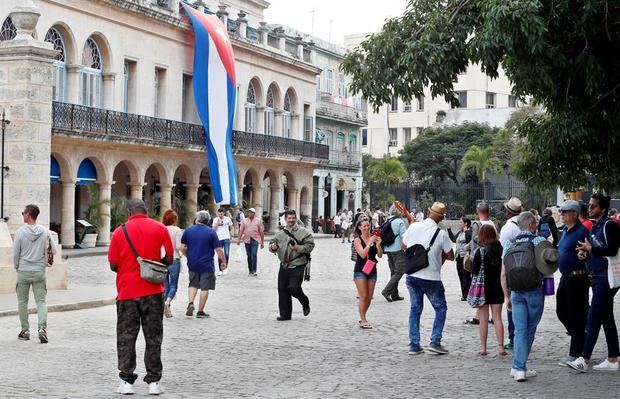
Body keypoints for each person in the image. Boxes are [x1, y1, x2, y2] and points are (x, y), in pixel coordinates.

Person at [108, 199, 173, 395]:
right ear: (146, 210)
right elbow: (169, 258)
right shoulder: (160, 228)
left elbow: (113, 264)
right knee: (154, 337)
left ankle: (127, 381)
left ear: (129, 212)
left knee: (126, 337)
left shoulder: (120, 232)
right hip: (153, 291)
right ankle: (154, 382)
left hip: (127, 292)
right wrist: (152, 265)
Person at [568, 193, 620, 372]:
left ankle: (584, 358)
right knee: (606, 318)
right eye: (590, 206)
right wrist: (585, 252)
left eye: (593, 206)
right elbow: (596, 250)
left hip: (606, 277)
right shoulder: (595, 227)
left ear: (603, 209)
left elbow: (612, 250)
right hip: (597, 276)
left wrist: (592, 248)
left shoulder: (609, 225)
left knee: (593, 317)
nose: (590, 209)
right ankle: (613, 358)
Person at [501, 211, 547, 382]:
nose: (536, 226)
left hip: (516, 291)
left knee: (519, 329)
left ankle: (517, 366)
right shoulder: (538, 241)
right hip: (534, 290)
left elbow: (504, 274)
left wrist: (507, 296)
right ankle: (520, 367)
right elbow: (550, 265)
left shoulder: (508, 244)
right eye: (535, 223)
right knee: (530, 328)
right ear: (530, 225)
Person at [403, 202, 455, 355]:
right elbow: (451, 256)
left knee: (415, 309)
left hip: (412, 275)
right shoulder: (441, 234)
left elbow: (403, 246)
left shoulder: (413, 227)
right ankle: (435, 341)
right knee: (440, 309)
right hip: (431, 277)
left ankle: (414, 344)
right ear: (441, 218)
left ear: (428, 212)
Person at [14, 204, 57, 343]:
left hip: (24, 271)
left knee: (22, 301)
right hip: (39, 271)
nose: (23, 215)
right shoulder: (45, 231)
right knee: (41, 301)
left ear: (28, 214)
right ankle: (42, 329)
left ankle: (25, 330)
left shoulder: (20, 232)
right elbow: (54, 250)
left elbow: (16, 253)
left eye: (23, 213)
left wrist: (17, 267)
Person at [555, 200, 589, 367]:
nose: (561, 213)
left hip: (577, 278)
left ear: (574, 214)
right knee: (561, 310)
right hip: (565, 277)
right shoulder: (566, 231)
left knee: (576, 315)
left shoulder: (582, 231)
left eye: (565, 211)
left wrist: (584, 254)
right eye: (561, 211)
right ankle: (581, 333)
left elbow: (588, 251)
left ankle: (575, 353)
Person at [269, 209, 315, 321]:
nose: (291, 220)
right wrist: (273, 247)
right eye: (289, 218)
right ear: (285, 219)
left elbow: (310, 246)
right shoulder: (280, 234)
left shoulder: (304, 232)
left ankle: (305, 301)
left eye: (293, 218)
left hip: (298, 263)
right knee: (283, 290)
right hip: (284, 265)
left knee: (294, 288)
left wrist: (298, 248)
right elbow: (271, 244)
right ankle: (285, 314)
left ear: (296, 218)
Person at [181, 211, 227, 318]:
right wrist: (223, 261)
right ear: (208, 220)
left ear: (197, 218)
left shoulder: (188, 230)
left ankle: (191, 303)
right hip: (207, 264)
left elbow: (183, 247)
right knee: (204, 288)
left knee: (193, 284)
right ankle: (200, 311)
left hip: (192, 263)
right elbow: (219, 249)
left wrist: (188, 256)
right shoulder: (211, 232)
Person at [471, 224, 505, 356]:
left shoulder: (480, 252)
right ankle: (501, 347)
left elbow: (474, 272)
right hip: (498, 287)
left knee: (483, 319)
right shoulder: (501, 250)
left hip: (483, 289)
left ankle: (483, 348)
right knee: (497, 318)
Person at [464, 202, 496, 325]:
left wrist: (468, 252)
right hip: (491, 257)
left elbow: (475, 242)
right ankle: (491, 316)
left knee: (480, 287)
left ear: (478, 211)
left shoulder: (477, 225)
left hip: (480, 258)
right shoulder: (492, 224)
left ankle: (479, 316)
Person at [500, 196, 522, 350]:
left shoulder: (507, 228)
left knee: (511, 303)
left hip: (512, 268)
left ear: (508, 212)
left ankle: (513, 337)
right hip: (527, 268)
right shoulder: (525, 223)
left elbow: (504, 252)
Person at [353, 218, 383, 329]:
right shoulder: (357, 240)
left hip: (372, 269)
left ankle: (362, 316)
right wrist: (369, 243)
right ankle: (363, 319)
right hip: (360, 270)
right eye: (364, 226)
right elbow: (362, 254)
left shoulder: (373, 238)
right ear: (359, 227)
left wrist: (378, 245)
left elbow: (379, 255)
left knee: (369, 297)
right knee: (363, 295)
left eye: (368, 226)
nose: (366, 228)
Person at [381, 205, 408, 302]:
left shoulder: (387, 220)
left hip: (388, 249)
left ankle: (394, 294)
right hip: (397, 249)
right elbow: (404, 236)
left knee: (393, 272)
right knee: (400, 270)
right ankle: (386, 291)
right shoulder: (400, 222)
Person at [162, 209, 183, 318]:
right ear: (174, 220)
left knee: (165, 285)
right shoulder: (177, 230)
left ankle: (167, 310)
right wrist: (183, 252)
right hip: (174, 259)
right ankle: (167, 303)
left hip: (162, 259)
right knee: (174, 285)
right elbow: (178, 246)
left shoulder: (161, 229)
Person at [448, 217, 472, 301]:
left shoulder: (468, 233)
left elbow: (472, 244)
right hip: (458, 257)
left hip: (465, 257)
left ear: (466, 223)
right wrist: (449, 230)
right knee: (461, 275)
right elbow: (453, 239)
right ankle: (464, 294)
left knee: (466, 276)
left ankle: (467, 295)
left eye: (461, 222)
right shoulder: (460, 233)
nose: (459, 223)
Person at [237, 207, 265, 276]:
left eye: (251, 212)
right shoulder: (244, 221)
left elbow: (261, 232)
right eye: (248, 212)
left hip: (255, 239)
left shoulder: (258, 221)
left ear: (254, 213)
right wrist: (238, 239)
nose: (249, 213)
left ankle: (254, 270)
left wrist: (262, 242)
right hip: (247, 239)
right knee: (249, 255)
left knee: (254, 254)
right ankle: (250, 270)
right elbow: (241, 231)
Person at [213, 208, 233, 276]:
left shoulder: (227, 219)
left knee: (226, 253)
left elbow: (231, 227)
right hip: (218, 238)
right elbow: (213, 230)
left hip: (226, 238)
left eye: (221, 214)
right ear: (217, 213)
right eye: (219, 214)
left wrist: (231, 234)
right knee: (220, 254)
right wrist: (217, 224)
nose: (220, 215)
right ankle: (220, 269)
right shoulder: (215, 219)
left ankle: (225, 267)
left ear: (224, 213)